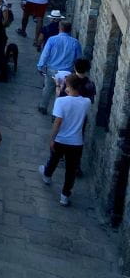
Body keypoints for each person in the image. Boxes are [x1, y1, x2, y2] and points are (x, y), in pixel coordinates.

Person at [38, 74, 92, 206]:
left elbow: (58, 121)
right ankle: (65, 195)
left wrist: (52, 138)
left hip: (61, 139)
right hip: (76, 142)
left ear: (68, 86)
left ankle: (47, 176)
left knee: (54, 159)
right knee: (71, 170)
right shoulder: (86, 102)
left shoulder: (61, 101)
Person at [36, 21, 81, 115]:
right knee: (61, 93)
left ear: (60, 28)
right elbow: (78, 59)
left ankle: (43, 106)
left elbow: (45, 54)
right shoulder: (75, 43)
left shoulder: (52, 40)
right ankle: (56, 113)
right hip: (66, 73)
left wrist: (40, 66)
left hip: (52, 70)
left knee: (48, 88)